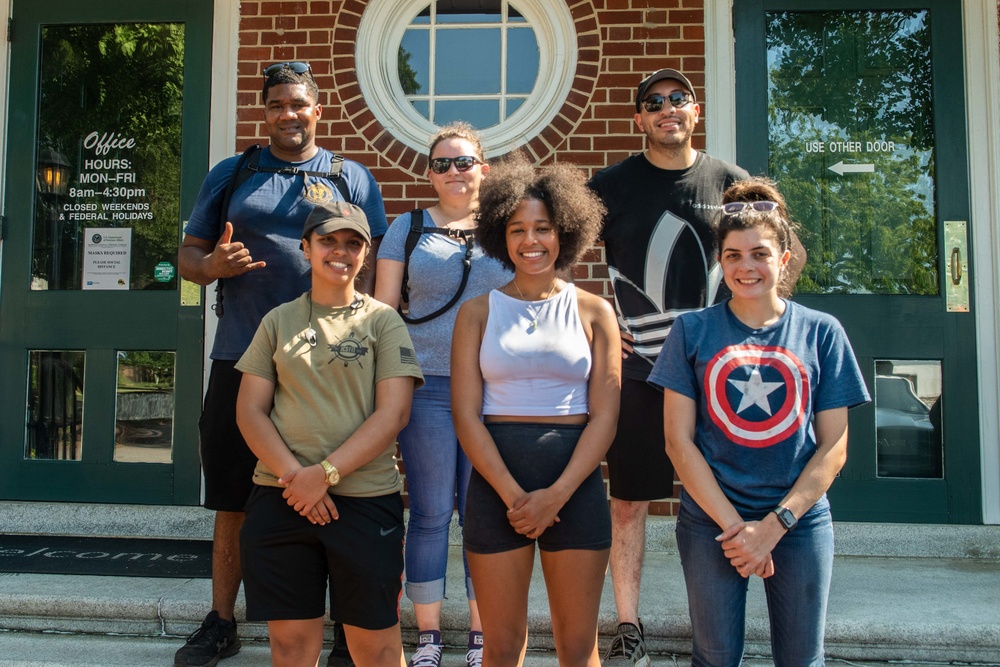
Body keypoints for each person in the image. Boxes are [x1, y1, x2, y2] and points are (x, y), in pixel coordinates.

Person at [587, 67, 804, 666]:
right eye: (652, 102)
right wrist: (599, 322)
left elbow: (784, 255)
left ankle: (713, 623)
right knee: (629, 500)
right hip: (642, 371)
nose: (666, 109)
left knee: (718, 491)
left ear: (695, 110)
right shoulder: (609, 185)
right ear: (639, 119)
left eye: (677, 99)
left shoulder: (731, 182)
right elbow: (553, 250)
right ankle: (628, 627)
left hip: (724, 373)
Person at [176, 61, 387, 667]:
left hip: (333, 361)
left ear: (317, 109)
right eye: (276, 105)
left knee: (342, 485)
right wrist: (211, 267)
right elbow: (189, 255)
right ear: (263, 111)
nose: (287, 114)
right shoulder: (234, 173)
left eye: (298, 103)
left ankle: (349, 629)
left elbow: (372, 263)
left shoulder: (350, 176)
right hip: (242, 354)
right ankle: (222, 621)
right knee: (235, 498)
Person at [650, 177, 870, 666]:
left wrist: (774, 526)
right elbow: (677, 442)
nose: (746, 267)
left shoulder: (822, 332)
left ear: (784, 259)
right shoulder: (691, 331)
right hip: (711, 522)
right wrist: (737, 531)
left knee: (802, 658)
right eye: (733, 256)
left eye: (760, 254)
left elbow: (834, 448)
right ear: (719, 262)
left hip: (799, 522)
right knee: (714, 656)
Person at [235, 201, 423, 667]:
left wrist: (326, 473)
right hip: (282, 498)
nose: (340, 252)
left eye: (353, 243)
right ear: (305, 246)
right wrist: (298, 478)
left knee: (376, 650)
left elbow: (394, 413)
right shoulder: (277, 321)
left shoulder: (384, 320)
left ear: (365, 254)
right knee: (291, 649)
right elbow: (249, 411)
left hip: (362, 502)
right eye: (328, 240)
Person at [451, 154, 621, 667]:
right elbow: (466, 416)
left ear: (564, 231)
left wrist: (556, 495)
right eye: (517, 229)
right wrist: (515, 495)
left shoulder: (595, 311)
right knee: (500, 648)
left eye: (543, 228)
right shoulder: (476, 313)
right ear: (500, 238)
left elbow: (605, 416)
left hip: (576, 486)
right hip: (497, 488)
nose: (531, 241)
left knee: (577, 648)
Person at [374, 122, 511, 667]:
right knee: (430, 511)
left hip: (494, 391)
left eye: (464, 161)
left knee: (482, 512)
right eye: (442, 163)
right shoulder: (405, 229)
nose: (454, 172)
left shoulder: (507, 228)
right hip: (426, 386)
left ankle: (481, 636)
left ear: (485, 168)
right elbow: (383, 311)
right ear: (428, 173)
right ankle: (428, 637)